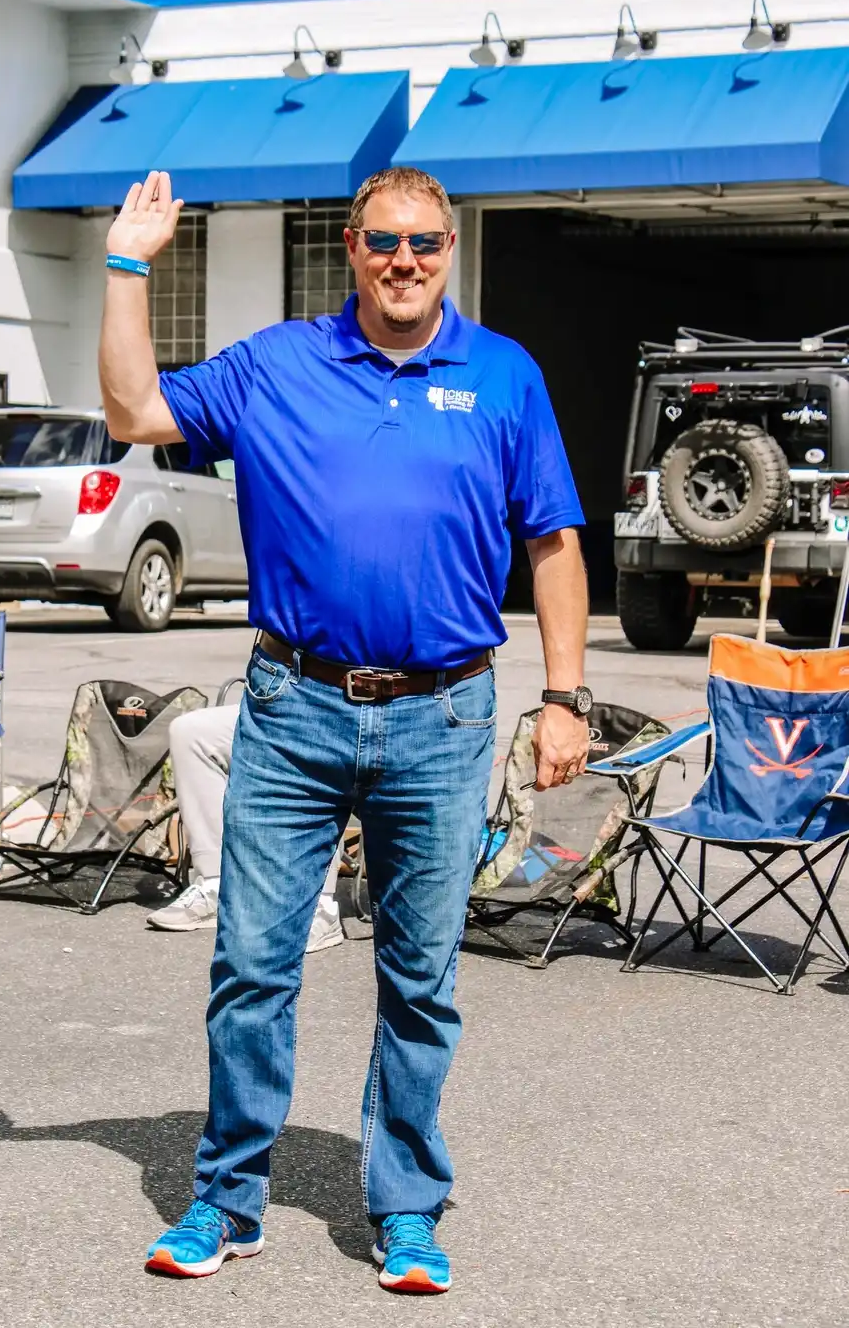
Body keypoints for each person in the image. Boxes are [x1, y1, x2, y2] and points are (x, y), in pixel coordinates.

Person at [99, 165, 589, 1295]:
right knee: (252, 965)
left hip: (446, 715)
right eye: (381, 242)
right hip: (294, 707)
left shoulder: (503, 376)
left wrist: (562, 698)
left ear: (450, 248)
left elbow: (553, 543)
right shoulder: (278, 365)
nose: (402, 261)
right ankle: (227, 1199)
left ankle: (407, 1206)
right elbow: (133, 411)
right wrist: (128, 268)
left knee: (420, 978)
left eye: (422, 242)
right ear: (351, 250)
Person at [148, 703, 344, 953]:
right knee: (190, 732)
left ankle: (320, 907)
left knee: (314, 736)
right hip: (286, 698)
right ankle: (217, 885)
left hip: (356, 713)